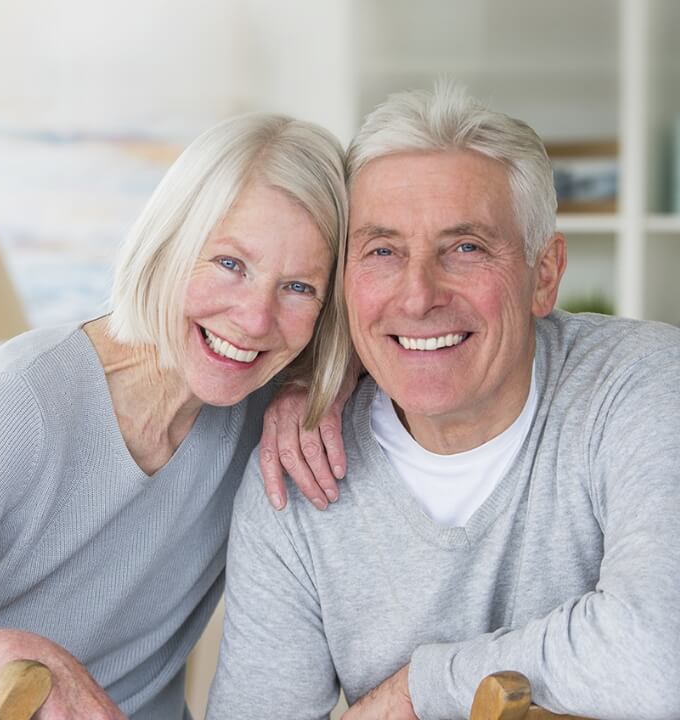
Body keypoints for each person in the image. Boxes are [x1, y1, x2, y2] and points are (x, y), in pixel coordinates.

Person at [207, 81, 680, 720]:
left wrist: (422, 687)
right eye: (382, 251)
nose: (417, 295)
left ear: (544, 275)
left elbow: (659, 660)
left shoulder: (642, 384)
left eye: (465, 248)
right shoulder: (296, 473)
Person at [0, 112, 351, 719]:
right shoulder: (17, 405)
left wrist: (324, 382)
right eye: (230, 263)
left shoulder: (261, 414)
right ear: (170, 241)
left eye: (299, 287)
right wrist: (16, 655)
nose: (254, 319)